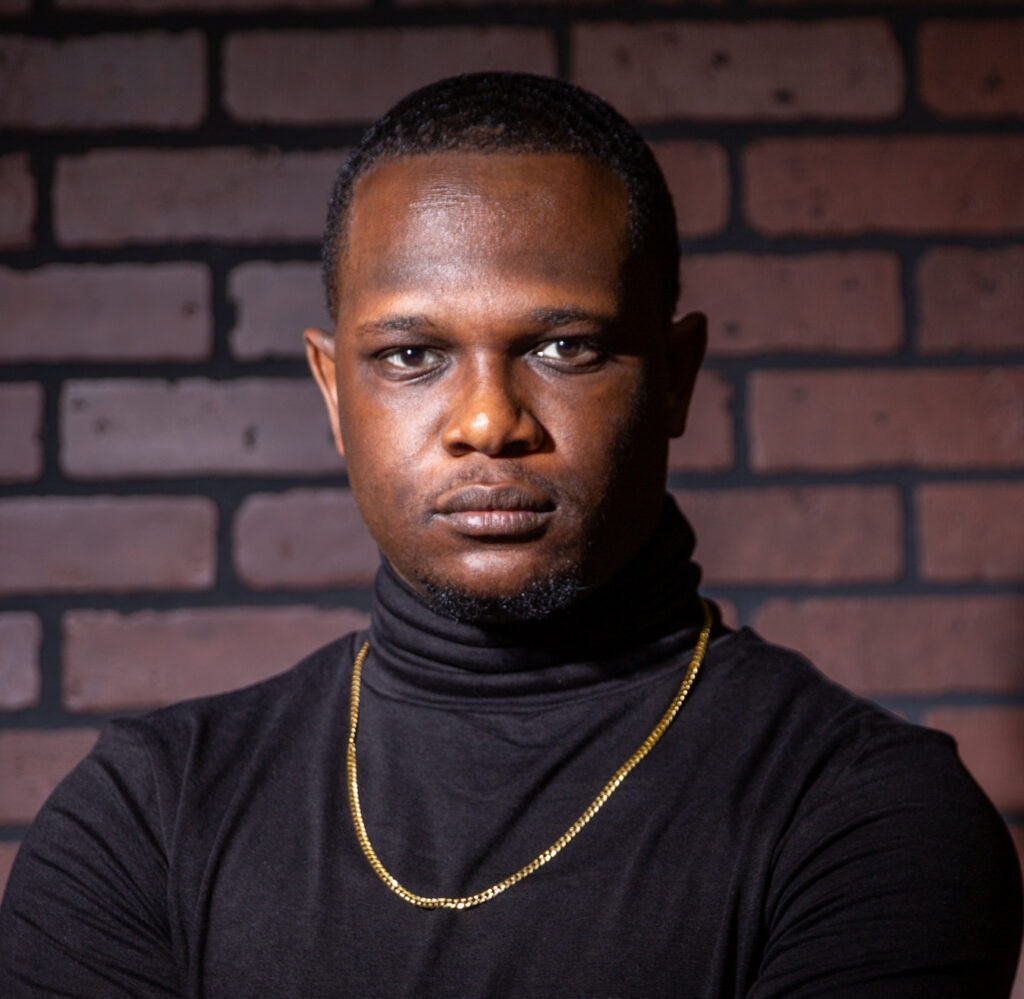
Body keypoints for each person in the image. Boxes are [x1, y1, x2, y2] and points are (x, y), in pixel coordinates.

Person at [1, 72, 1020, 998]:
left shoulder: (863, 816)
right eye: (410, 355)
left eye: (564, 346)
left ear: (674, 377)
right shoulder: (146, 815)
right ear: (330, 386)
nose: (489, 420)